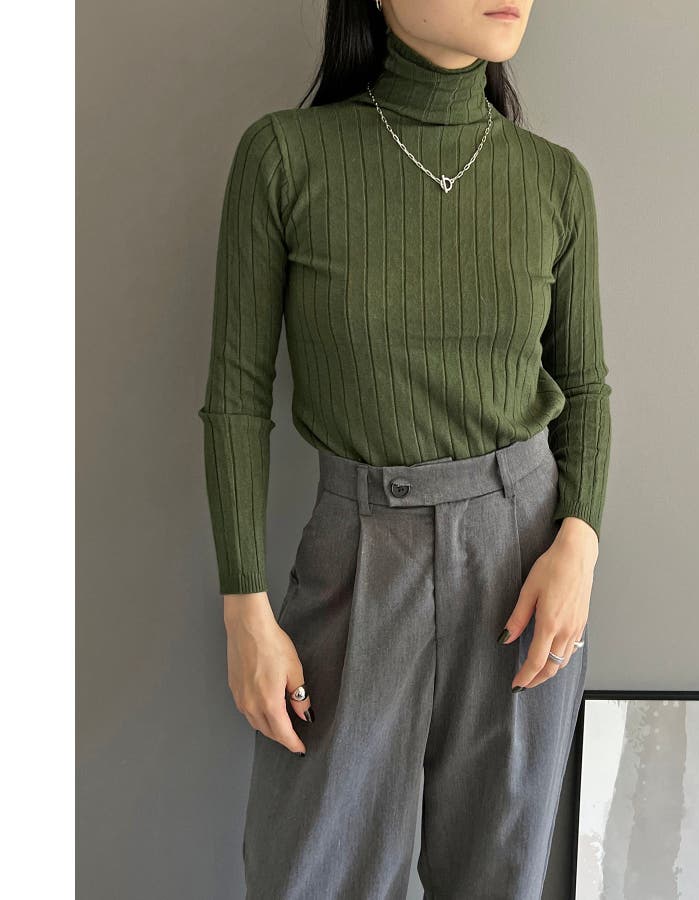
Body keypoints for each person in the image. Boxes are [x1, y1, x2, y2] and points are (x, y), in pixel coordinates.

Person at [197, 1, 612, 897]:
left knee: (498, 875)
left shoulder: (554, 180)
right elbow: (235, 399)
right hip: (357, 553)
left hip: (523, 563)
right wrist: (244, 611)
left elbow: (584, 388)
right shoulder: (286, 158)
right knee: (309, 872)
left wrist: (578, 544)